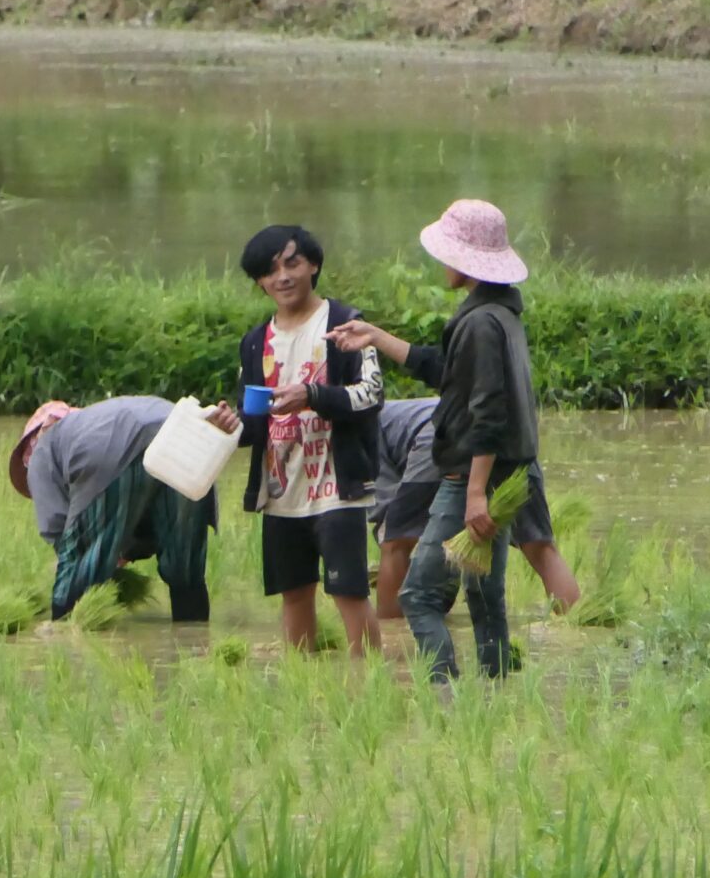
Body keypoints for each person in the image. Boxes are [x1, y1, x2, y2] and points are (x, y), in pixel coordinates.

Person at [328, 199, 538, 681]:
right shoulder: (499, 314)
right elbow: (447, 372)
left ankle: (444, 695)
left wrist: (474, 491)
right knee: (484, 595)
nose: (442, 261)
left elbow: (488, 411)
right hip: (502, 474)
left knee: (418, 595)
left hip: (470, 476)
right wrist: (376, 336)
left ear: (466, 259)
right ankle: (494, 694)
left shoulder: (481, 324)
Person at [209, 224, 383, 660]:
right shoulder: (256, 343)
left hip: (337, 486)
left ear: (314, 265)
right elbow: (255, 424)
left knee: (349, 591)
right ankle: (301, 684)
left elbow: (372, 395)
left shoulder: (345, 324)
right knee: (294, 594)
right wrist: (231, 424)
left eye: (292, 264)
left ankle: (371, 681)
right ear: (259, 282)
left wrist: (312, 395)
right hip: (282, 491)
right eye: (270, 271)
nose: (283, 277)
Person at [372, 396, 580, 620]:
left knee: (395, 544)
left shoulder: (362, 431)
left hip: (443, 438)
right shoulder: (384, 411)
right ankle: (577, 622)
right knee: (540, 548)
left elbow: (389, 519)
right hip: (511, 434)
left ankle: (390, 634)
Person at [9, 396, 215, 623]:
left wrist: (83, 560)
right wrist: (123, 553)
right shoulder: (96, 419)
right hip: (186, 435)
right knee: (185, 570)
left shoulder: (42, 450)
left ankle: (61, 635)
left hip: (113, 449)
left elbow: (60, 532)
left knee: (78, 564)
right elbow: (149, 520)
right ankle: (193, 637)